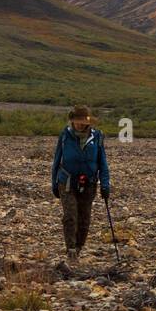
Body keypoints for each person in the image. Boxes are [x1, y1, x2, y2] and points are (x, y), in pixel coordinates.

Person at [50, 105, 111, 262]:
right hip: (67, 181)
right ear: (72, 121)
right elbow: (57, 159)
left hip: (89, 183)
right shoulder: (65, 135)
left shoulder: (97, 136)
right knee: (70, 215)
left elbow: (102, 162)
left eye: (83, 121)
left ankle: (78, 248)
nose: (80, 124)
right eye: (77, 121)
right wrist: (54, 183)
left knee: (84, 218)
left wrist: (105, 184)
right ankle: (70, 249)